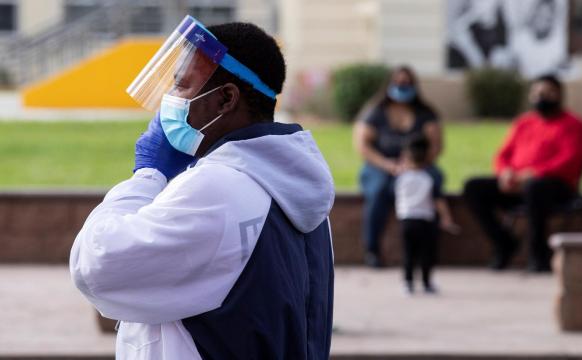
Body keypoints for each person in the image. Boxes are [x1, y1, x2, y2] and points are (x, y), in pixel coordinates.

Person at [70, 18, 335, 359]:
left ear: (226, 99)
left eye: (181, 86)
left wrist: (148, 175)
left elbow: (96, 266)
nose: (170, 99)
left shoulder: (219, 190)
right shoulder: (294, 187)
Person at [463, 75, 582, 273]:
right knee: (474, 187)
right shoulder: (524, 123)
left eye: (548, 93)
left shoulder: (574, 125)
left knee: (535, 188)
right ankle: (504, 243)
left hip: (555, 187)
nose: (543, 97)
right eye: (538, 93)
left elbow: (570, 161)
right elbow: (503, 154)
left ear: (559, 95)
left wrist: (534, 174)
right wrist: (505, 172)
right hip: (516, 185)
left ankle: (538, 257)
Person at [353, 65, 442, 267]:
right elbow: (362, 145)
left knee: (433, 182)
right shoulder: (375, 112)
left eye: (407, 83)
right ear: (389, 85)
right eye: (398, 82)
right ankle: (372, 249)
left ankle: (428, 250)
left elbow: (436, 146)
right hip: (380, 166)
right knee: (378, 190)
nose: (402, 87)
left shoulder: (425, 113)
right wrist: (387, 164)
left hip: (418, 163)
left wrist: (414, 164)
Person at [395, 135, 457, 294]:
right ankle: (427, 282)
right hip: (426, 220)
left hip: (406, 219)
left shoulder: (400, 178)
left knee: (408, 253)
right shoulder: (429, 178)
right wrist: (446, 218)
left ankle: (408, 283)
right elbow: (438, 200)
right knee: (427, 253)